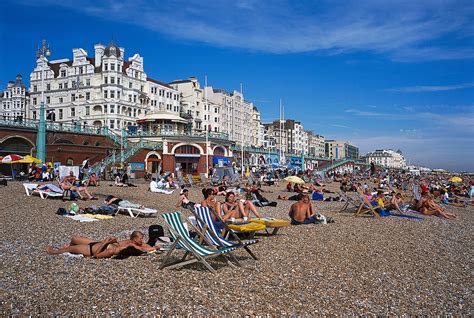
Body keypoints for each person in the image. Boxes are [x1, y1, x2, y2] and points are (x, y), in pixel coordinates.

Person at [45, 231, 158, 258]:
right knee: (74, 238)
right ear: (133, 238)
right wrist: (110, 241)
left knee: (66, 250)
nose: (142, 240)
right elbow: (144, 248)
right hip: (98, 244)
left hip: (93, 249)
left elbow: (145, 249)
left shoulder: (129, 247)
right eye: (140, 238)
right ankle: (67, 247)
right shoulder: (127, 243)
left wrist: (106, 242)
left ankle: (54, 251)